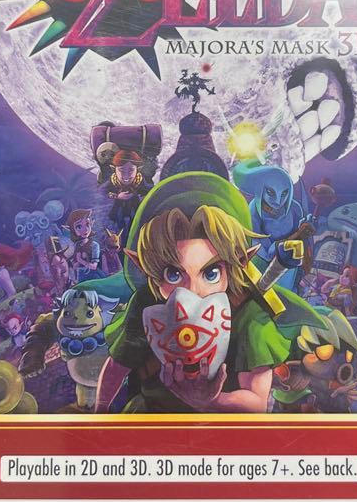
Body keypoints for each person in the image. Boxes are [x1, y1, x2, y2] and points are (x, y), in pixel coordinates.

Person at [91, 173, 327, 413]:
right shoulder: (147, 302)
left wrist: (209, 401)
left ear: (236, 264)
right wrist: (99, 413)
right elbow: (118, 366)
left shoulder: (250, 314)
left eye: (210, 273)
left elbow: (256, 403)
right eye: (173, 274)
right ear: (148, 268)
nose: (192, 291)